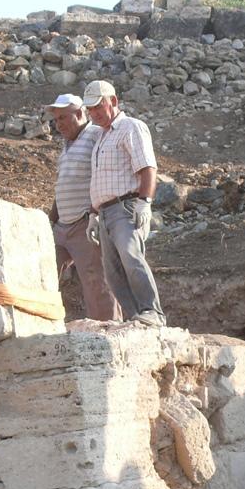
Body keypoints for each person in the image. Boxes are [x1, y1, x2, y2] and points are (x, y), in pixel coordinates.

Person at [83, 80, 166, 327]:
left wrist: (144, 202)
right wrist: (92, 215)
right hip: (106, 212)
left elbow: (147, 167)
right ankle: (135, 318)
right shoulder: (101, 137)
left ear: (114, 101)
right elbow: (100, 180)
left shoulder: (131, 127)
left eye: (99, 106)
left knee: (131, 258)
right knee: (113, 272)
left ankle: (152, 311)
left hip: (126, 206)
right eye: (91, 109)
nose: (94, 113)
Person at [44, 94, 120, 322]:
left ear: (79, 114)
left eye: (63, 118)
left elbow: (104, 174)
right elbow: (64, 183)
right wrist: (52, 219)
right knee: (44, 272)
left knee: (95, 279)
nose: (59, 125)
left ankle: (108, 328)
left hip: (84, 222)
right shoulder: (67, 143)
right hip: (62, 225)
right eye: (56, 120)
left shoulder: (95, 135)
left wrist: (93, 213)